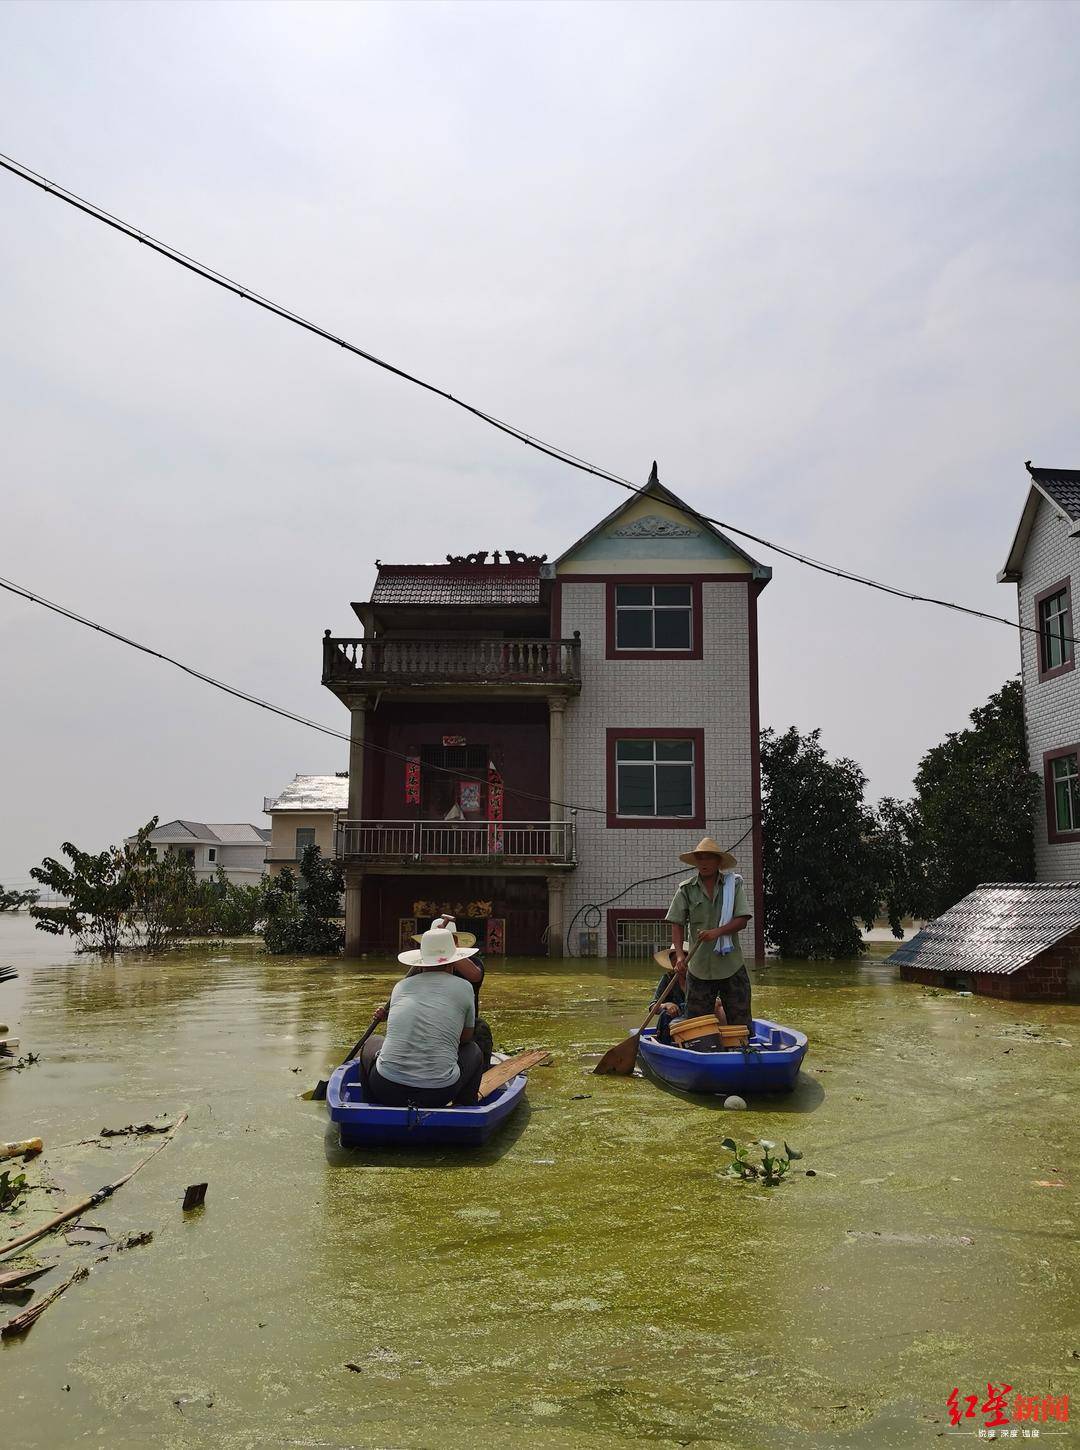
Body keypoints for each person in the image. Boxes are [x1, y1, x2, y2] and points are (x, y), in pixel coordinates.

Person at [360, 922, 484, 1106]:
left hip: (386, 1088)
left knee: (371, 1043)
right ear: (452, 960)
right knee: (474, 1050)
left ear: (421, 961)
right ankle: (465, 1108)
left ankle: (370, 1105)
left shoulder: (401, 986)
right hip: (438, 1094)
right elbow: (465, 1038)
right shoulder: (464, 987)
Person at [665, 836, 753, 1030]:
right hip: (699, 967)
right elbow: (676, 923)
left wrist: (717, 932)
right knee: (698, 1026)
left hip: (731, 964)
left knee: (741, 1023)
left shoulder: (733, 885)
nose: (704, 863)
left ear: (718, 862)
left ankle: (741, 1053)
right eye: (700, 859)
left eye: (709, 858)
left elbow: (742, 919)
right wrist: (680, 955)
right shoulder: (686, 889)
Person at [410, 917, 494, 1068]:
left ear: (456, 942)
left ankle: (481, 1072)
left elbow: (475, 976)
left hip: (462, 1028)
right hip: (429, 1025)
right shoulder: (422, 965)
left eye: (447, 940)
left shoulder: (472, 964)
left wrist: (445, 947)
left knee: (481, 1027)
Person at [649, 947, 687, 1045]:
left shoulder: (697, 979)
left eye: (682, 959)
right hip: (672, 1024)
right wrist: (666, 1005)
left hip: (692, 1021)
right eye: (674, 959)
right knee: (665, 1015)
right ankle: (665, 1045)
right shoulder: (667, 979)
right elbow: (653, 1007)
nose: (678, 963)